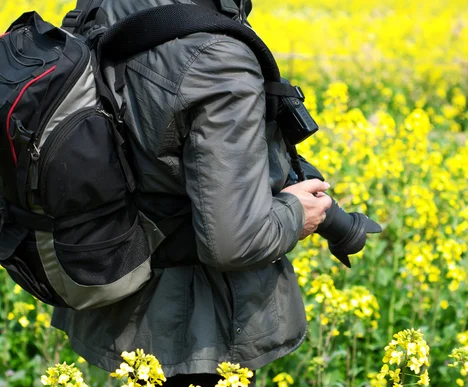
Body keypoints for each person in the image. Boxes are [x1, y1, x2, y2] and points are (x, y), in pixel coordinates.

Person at [51, 0, 333, 385]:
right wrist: (297, 213)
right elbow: (234, 242)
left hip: (116, 291)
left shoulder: (103, 8)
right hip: (199, 335)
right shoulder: (216, 57)